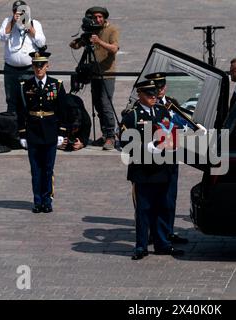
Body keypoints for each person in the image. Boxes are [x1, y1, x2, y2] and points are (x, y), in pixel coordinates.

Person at [120, 80, 184, 260]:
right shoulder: (131, 116)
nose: (153, 97)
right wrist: (148, 147)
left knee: (162, 207)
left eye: (155, 94)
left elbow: (170, 131)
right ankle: (141, 246)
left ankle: (162, 243)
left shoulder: (162, 111)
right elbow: (126, 143)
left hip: (162, 167)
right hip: (143, 170)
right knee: (144, 209)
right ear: (139, 94)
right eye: (149, 94)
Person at [17, 49, 67, 213]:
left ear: (47, 66)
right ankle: (37, 201)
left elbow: (63, 111)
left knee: (48, 168)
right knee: (35, 169)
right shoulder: (26, 86)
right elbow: (21, 111)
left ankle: (47, 200)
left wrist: (62, 132)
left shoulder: (56, 85)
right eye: (35, 66)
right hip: (33, 132)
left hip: (50, 131)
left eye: (41, 66)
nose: (38, 69)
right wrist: (23, 133)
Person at [144, 72, 189, 245]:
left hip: (171, 156)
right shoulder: (146, 106)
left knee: (170, 197)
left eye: (162, 86)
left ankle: (167, 231)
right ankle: (152, 233)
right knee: (153, 198)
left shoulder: (172, 103)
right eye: (156, 87)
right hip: (154, 158)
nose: (160, 90)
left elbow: (183, 122)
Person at [69, 6, 119, 150]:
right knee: (97, 104)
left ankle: (111, 136)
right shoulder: (92, 30)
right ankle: (104, 134)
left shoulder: (112, 30)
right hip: (94, 74)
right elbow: (74, 46)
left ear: (104, 17)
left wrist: (99, 42)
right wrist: (80, 41)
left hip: (107, 73)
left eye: (100, 17)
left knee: (106, 104)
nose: (97, 19)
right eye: (95, 17)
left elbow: (114, 49)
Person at [0, 0, 46, 113]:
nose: (18, 14)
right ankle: (14, 127)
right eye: (16, 11)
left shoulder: (35, 23)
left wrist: (29, 27)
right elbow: (2, 37)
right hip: (11, 69)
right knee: (11, 100)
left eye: (21, 11)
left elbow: (42, 43)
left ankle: (30, 128)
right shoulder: (7, 22)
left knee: (31, 99)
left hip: (29, 69)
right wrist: (12, 23)